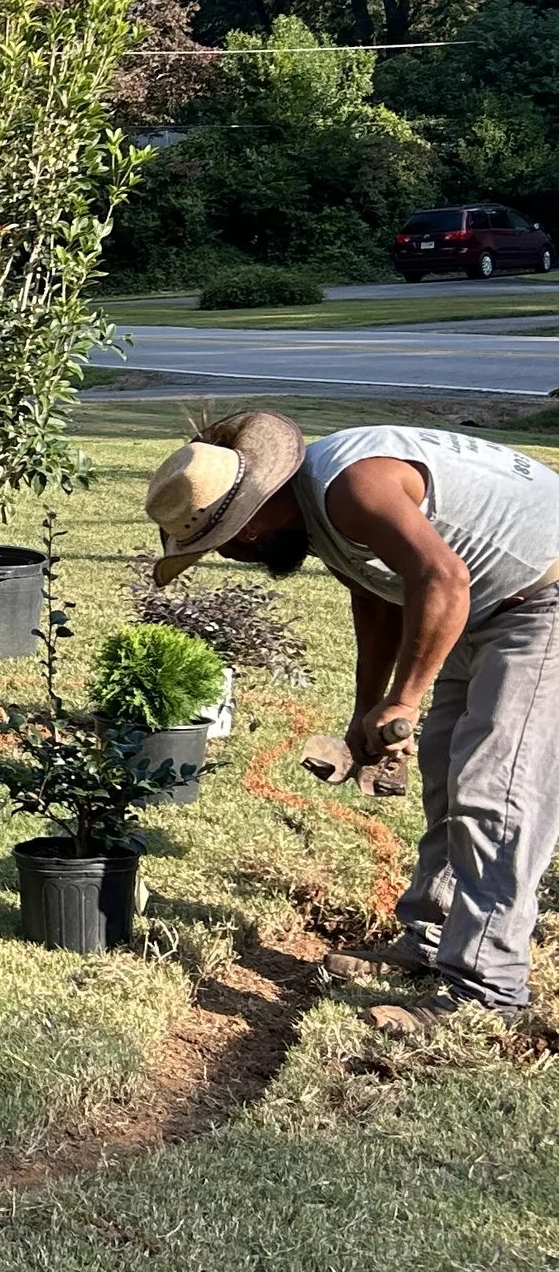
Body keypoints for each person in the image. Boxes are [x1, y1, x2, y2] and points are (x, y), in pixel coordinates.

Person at [145, 410, 559, 1018]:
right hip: (490, 601)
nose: (238, 553)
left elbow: (442, 578)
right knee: (448, 771)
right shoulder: (317, 514)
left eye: (232, 536)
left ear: (261, 506)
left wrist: (406, 700)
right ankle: (434, 939)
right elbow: (378, 595)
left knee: (496, 791)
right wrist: (369, 709)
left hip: (539, 598)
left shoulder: (353, 488)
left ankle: (487, 995)